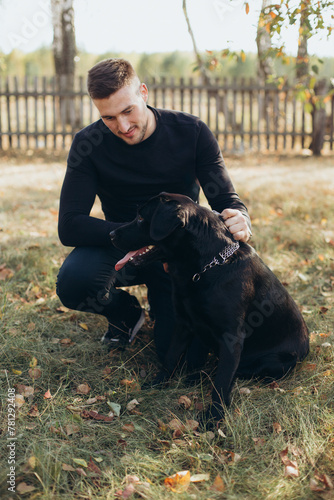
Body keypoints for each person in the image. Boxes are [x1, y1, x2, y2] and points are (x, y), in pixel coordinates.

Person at [56, 58, 252, 363]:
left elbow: (226, 199)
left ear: (143, 93)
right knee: (75, 282)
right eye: (108, 118)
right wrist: (138, 238)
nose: (122, 126)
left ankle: (165, 307)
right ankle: (126, 314)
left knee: (185, 362)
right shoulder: (88, 144)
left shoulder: (192, 132)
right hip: (122, 245)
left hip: (177, 255)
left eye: (127, 110)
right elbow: (69, 225)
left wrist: (240, 216)